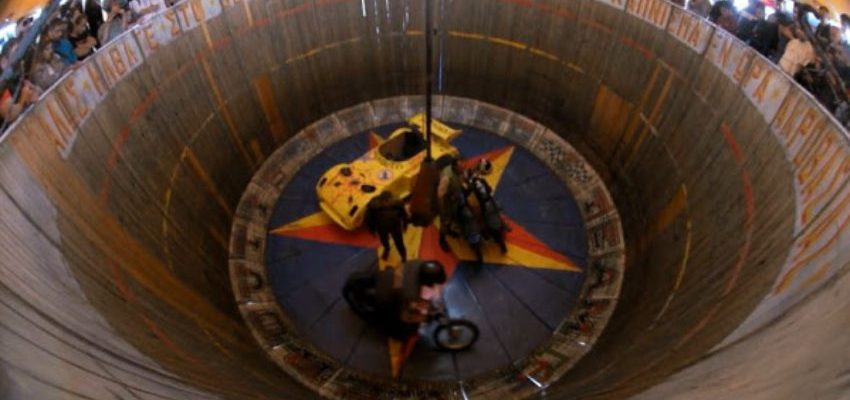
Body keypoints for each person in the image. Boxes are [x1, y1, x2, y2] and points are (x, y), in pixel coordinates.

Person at [345, 260, 447, 340]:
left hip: (384, 276)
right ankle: (390, 331)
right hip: (384, 298)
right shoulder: (410, 293)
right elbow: (405, 317)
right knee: (406, 332)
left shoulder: (416, 263)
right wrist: (424, 318)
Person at [466, 159, 508, 254]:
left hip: (485, 205)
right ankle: (501, 233)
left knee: (490, 223)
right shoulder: (480, 180)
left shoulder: (473, 181)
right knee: (495, 218)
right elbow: (488, 190)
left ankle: (500, 243)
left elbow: (471, 191)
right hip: (489, 203)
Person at [365, 191, 408, 262]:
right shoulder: (374, 206)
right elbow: (369, 218)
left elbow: (404, 214)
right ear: (381, 200)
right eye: (385, 201)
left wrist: (405, 224)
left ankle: (403, 256)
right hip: (382, 227)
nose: (386, 203)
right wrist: (372, 229)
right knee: (384, 241)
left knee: (399, 243)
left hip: (395, 227)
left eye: (388, 200)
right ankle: (387, 249)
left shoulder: (397, 204)